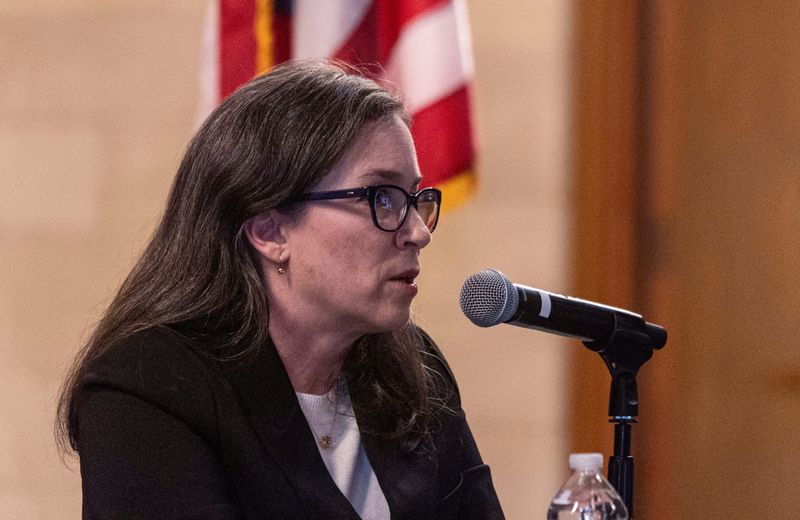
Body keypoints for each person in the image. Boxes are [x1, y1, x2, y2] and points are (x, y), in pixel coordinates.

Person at [56, 61, 504, 519]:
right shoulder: (149, 385)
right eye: (382, 198)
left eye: (414, 199)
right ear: (269, 231)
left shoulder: (414, 366)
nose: (418, 232)